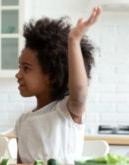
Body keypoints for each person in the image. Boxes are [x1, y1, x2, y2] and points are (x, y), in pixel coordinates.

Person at [14, 7, 102, 164]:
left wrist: (73, 40)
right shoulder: (22, 122)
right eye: (19, 67)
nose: (18, 74)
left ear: (52, 76)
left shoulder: (66, 112)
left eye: (26, 68)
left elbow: (80, 91)